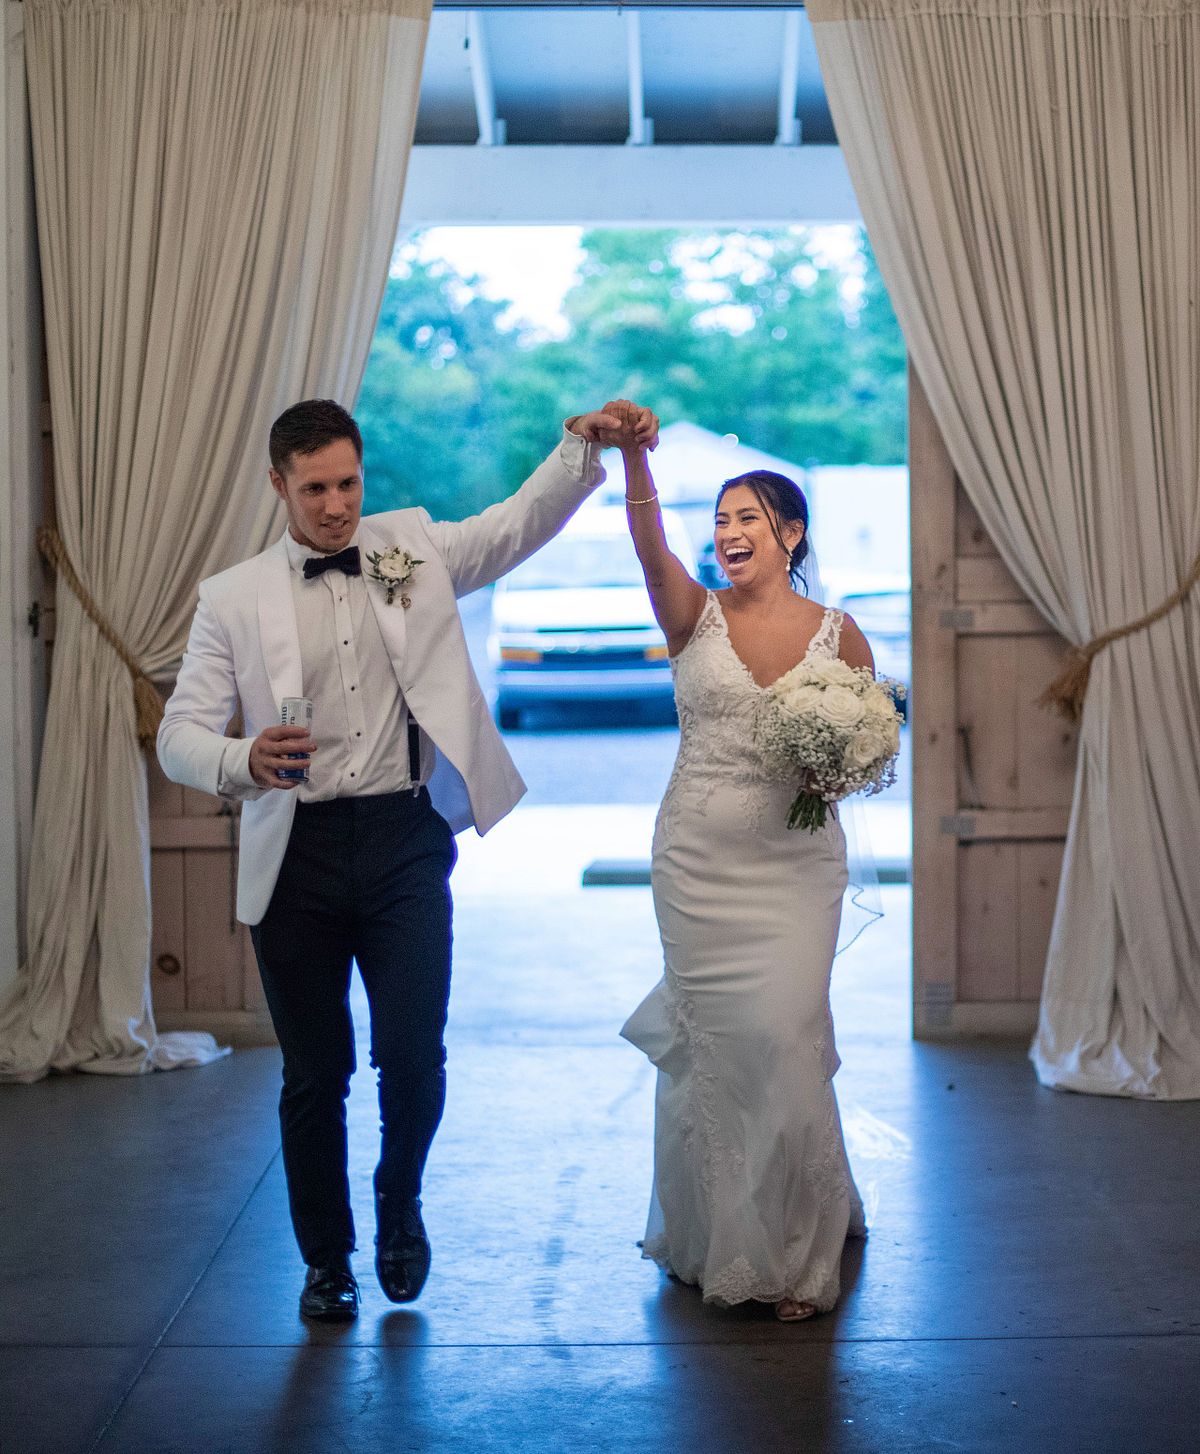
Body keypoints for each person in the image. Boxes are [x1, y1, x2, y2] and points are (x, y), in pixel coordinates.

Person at [158, 397, 658, 1322]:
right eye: (315, 490)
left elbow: (513, 528)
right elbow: (177, 735)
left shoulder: (412, 548)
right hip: (295, 851)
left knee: (413, 1055)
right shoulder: (231, 597)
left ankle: (399, 1203)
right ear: (279, 486)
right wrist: (241, 759)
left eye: (348, 483)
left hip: (403, 840)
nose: (336, 507)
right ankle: (326, 1260)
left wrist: (577, 446)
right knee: (315, 1074)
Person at [608, 399, 872, 1322]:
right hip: (697, 866)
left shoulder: (840, 634)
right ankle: (723, 1235)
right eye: (719, 521)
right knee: (726, 1049)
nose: (728, 534)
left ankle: (799, 1251)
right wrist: (638, 465)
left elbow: (870, 750)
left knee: (786, 1036)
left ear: (790, 533)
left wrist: (835, 761)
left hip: (798, 870)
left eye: (747, 519)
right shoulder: (693, 615)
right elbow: (649, 545)